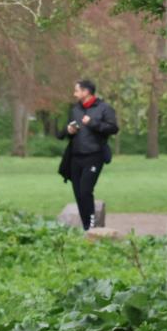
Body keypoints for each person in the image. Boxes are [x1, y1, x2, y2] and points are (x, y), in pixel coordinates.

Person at [57, 79, 118, 230]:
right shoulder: (75, 110)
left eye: (77, 91)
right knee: (78, 193)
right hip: (75, 157)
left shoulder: (104, 108)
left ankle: (92, 225)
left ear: (86, 92)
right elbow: (62, 133)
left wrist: (93, 123)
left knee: (85, 191)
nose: (74, 94)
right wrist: (68, 131)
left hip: (94, 156)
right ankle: (86, 228)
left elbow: (113, 128)